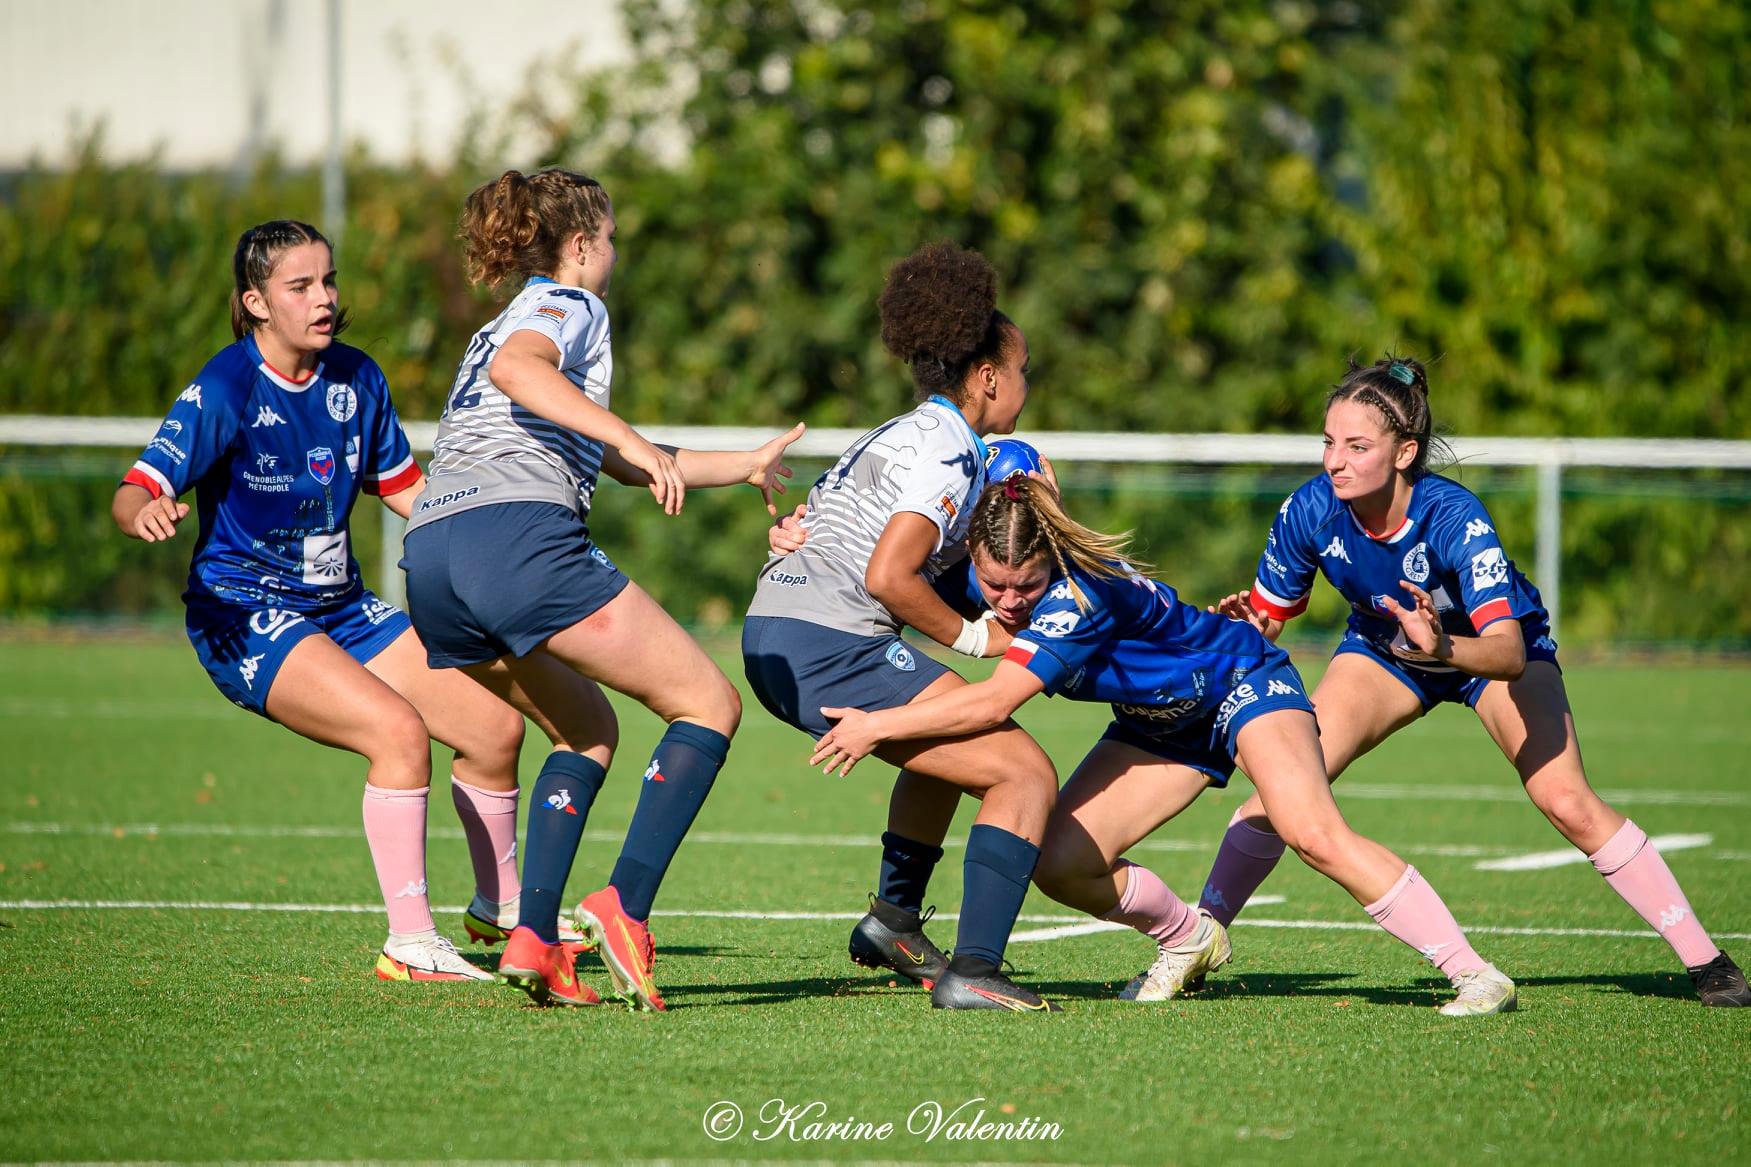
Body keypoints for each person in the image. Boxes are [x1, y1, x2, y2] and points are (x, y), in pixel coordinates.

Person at [811, 476, 1520, 1015]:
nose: (1006, 600)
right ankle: (1188, 937)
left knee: (1308, 830)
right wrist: (806, 536)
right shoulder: (983, 562)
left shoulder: (1076, 598)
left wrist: (877, 723)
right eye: (992, 583)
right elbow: (896, 566)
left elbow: (995, 699)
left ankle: (1471, 970)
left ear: (1049, 559)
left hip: (1240, 680)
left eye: (1023, 584)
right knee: (1059, 862)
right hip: (1158, 722)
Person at [1192, 355, 1750, 1007]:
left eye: (1355, 445)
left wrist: (1442, 644)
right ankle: (1196, 938)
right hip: (1385, 651)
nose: (1333, 461)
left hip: (1482, 651)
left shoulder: (1454, 516)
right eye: (1327, 441)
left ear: (1404, 452)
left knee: (1565, 800)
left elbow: (1508, 652)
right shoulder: (1310, 508)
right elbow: (1269, 616)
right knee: (1283, 784)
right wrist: (1241, 627)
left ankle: (1706, 960)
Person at [400, 168, 803, 1011]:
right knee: (708, 704)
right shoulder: (567, 305)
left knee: (584, 730)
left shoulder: (493, 325)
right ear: (581, 245)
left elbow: (618, 457)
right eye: (610, 238)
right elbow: (524, 371)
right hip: (513, 541)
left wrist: (742, 465)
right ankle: (623, 907)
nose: (614, 254)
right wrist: (623, 430)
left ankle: (534, 938)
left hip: (433, 554)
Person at [113, 219, 530, 984]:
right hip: (244, 612)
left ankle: (503, 915)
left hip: (340, 605)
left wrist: (482, 520)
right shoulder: (226, 386)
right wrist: (143, 508)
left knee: (495, 727)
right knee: (397, 734)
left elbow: (401, 485)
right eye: (300, 286)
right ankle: (410, 942)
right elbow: (137, 486)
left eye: (328, 281)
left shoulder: (357, 376)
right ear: (256, 301)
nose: (323, 298)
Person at [743, 240, 1062, 1012]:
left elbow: (821, 526)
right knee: (1023, 772)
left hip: (776, 625)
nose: (1023, 384)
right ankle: (976, 971)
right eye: (1021, 371)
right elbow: (890, 575)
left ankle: (893, 920)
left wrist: (787, 532)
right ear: (987, 377)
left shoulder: (900, 430)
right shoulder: (951, 451)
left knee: (947, 718)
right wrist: (975, 636)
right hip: (825, 639)